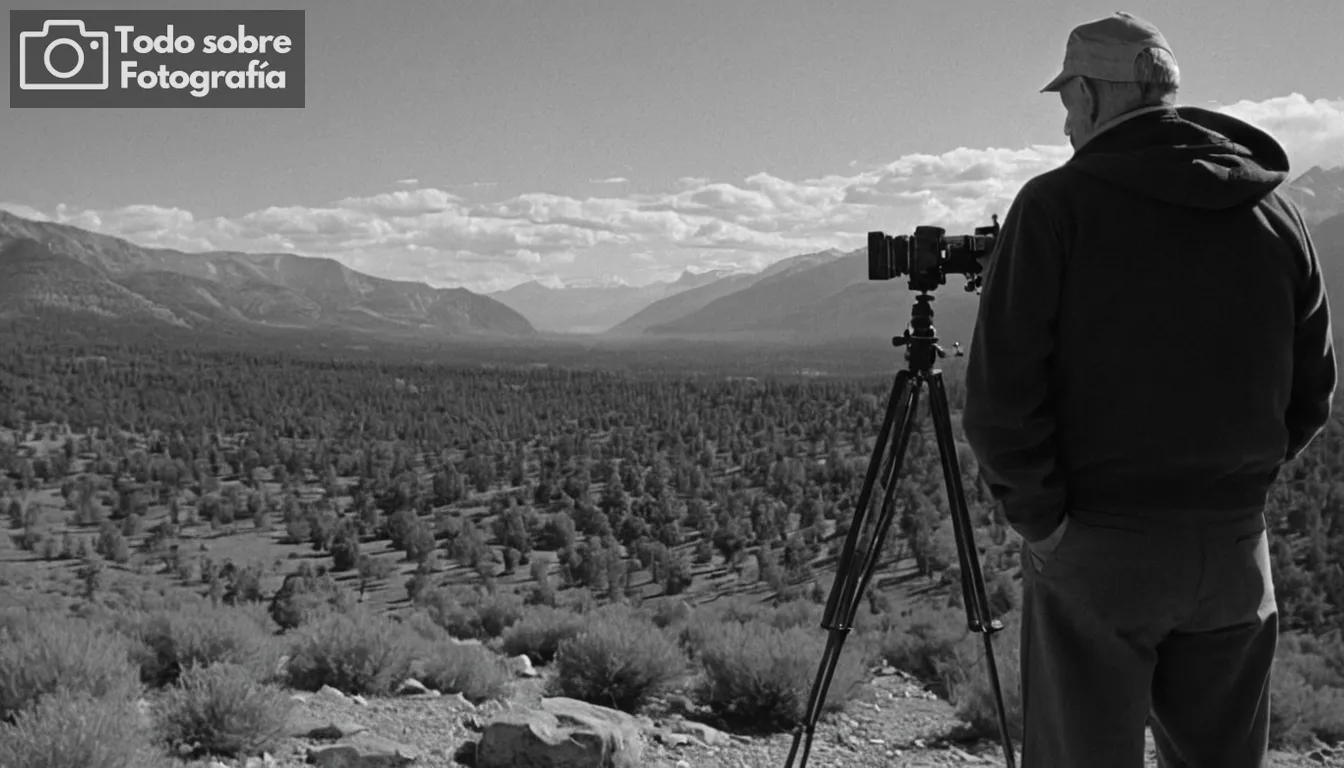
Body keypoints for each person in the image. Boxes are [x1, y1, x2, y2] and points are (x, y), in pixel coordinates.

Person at [962, 11, 1337, 768]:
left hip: (1100, 547)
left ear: (1096, 97)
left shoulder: (1055, 206)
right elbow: (1313, 392)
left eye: (1069, 100)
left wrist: (1044, 524)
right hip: (1235, 551)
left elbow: (1000, 397)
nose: (1066, 122)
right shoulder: (1276, 212)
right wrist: (1237, 489)